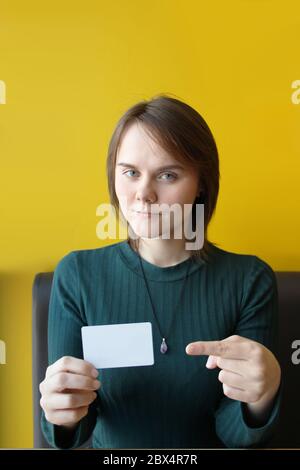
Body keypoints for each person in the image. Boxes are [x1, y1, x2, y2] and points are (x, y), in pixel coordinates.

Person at [40, 94, 282, 449]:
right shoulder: (77, 275)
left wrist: (264, 395)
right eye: (131, 173)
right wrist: (60, 410)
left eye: (168, 175)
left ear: (201, 183)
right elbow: (75, 432)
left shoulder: (249, 281)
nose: (144, 194)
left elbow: (235, 435)